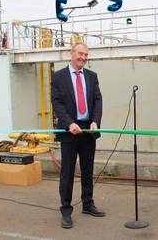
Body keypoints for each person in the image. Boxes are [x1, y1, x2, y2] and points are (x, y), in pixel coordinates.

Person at [51, 42, 104, 229]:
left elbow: (98, 100)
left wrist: (95, 121)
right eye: (80, 53)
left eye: (86, 55)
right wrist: (69, 123)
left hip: (88, 129)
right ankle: (66, 210)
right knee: (67, 171)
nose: (83, 57)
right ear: (72, 54)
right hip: (69, 130)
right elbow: (57, 104)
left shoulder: (92, 76)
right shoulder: (59, 77)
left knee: (88, 168)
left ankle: (88, 203)